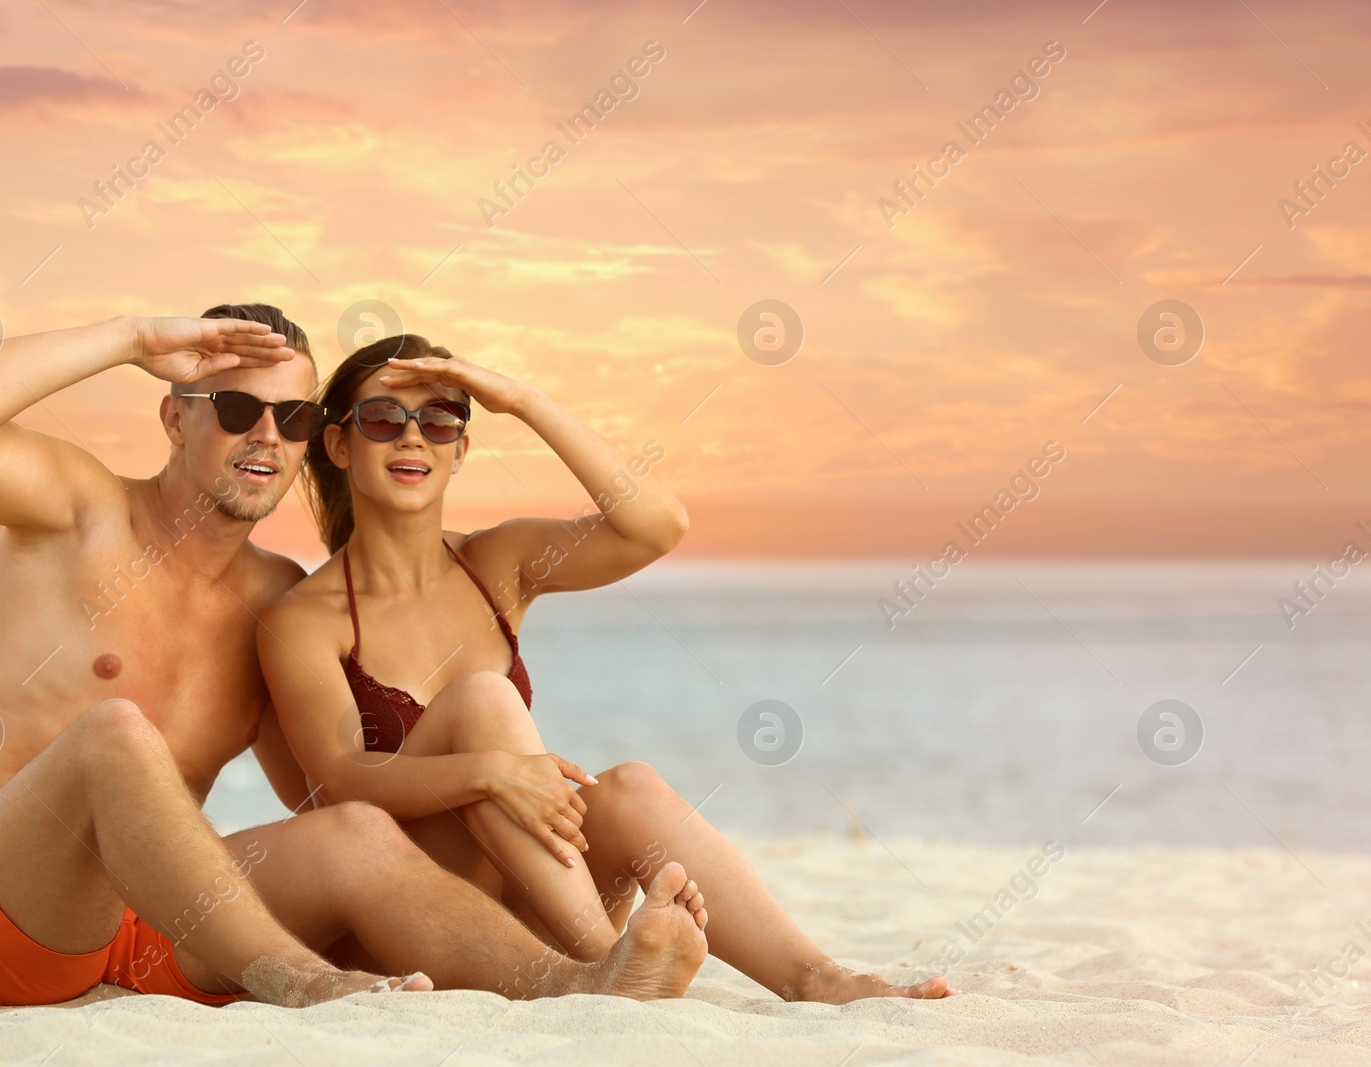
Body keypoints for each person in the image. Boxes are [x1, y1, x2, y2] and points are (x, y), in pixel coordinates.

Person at [0, 305, 708, 1013]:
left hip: (148, 927)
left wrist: (492, 793)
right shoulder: (77, 508)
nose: (266, 436)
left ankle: (573, 983)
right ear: (176, 418)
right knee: (116, 734)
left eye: (292, 418)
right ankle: (298, 979)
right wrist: (132, 337)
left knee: (351, 834)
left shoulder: (272, 599)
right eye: (239, 406)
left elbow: (336, 800)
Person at [258, 335, 956, 1004]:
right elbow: (338, 779)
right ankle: (609, 965)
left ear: (462, 447)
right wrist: (490, 770)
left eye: (440, 419)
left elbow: (655, 525)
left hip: (535, 913)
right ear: (339, 443)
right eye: (383, 418)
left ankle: (815, 978)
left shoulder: (498, 564)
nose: (413, 436)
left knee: (631, 788)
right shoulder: (303, 617)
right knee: (482, 701)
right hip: (416, 918)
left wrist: (522, 401)